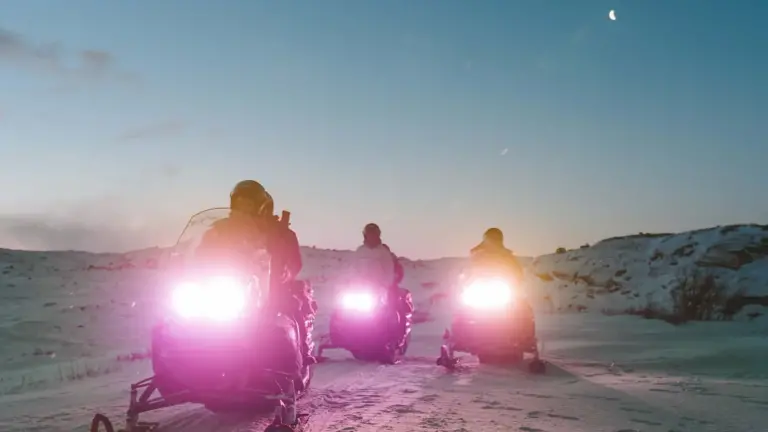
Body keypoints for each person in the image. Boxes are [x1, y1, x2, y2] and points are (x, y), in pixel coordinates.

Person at [199, 180, 315, 363]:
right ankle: (177, 366)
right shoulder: (219, 229)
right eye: (240, 203)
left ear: (261, 206)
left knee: (289, 306)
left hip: (270, 285)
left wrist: (286, 271)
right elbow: (201, 253)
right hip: (225, 285)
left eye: (249, 203)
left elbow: (294, 260)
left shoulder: (280, 231)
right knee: (178, 319)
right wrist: (186, 264)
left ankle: (301, 354)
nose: (243, 208)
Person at [352, 223, 412, 336]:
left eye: (374, 234)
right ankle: (342, 333)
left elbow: (389, 269)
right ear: (365, 235)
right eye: (369, 234)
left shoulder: (384, 252)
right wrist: (351, 282)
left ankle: (398, 332)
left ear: (378, 235)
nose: (372, 237)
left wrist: (386, 285)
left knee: (393, 303)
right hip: (362, 288)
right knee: (343, 307)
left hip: (380, 287)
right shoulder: (360, 251)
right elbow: (354, 269)